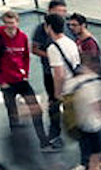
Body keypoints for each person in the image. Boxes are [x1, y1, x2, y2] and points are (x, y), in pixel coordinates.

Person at [0, 11, 53, 152]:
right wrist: (1, 80)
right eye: (7, 23)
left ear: (17, 22)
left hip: (21, 80)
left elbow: (25, 57)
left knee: (36, 110)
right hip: (7, 83)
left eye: (12, 23)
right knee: (13, 114)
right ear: (4, 24)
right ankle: (18, 145)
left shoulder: (22, 37)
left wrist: (25, 73)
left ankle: (44, 142)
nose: (10, 26)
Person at [30, 1, 76, 152]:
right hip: (50, 74)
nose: (62, 14)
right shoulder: (41, 30)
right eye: (59, 11)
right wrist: (51, 57)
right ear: (49, 11)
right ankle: (55, 134)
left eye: (64, 11)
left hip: (65, 75)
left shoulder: (66, 27)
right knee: (54, 104)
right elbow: (34, 49)